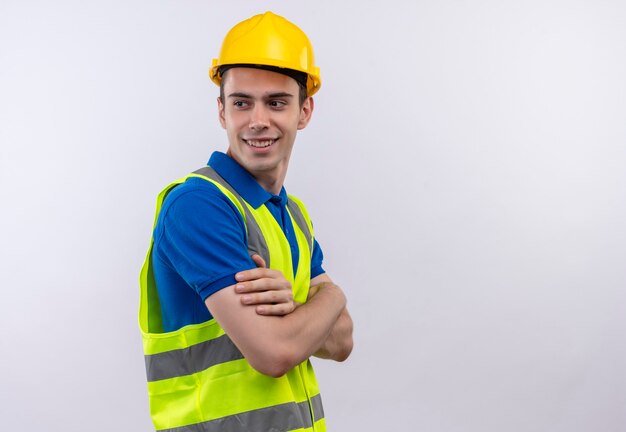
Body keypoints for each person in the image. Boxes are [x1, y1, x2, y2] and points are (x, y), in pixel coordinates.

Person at [139, 11, 353, 432]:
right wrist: (329, 297)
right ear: (222, 112)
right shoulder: (198, 205)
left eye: (276, 102)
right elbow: (274, 352)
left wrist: (293, 306)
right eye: (242, 102)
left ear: (304, 111)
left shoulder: (291, 213)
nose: (258, 120)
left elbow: (342, 342)